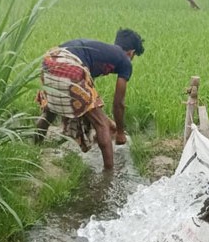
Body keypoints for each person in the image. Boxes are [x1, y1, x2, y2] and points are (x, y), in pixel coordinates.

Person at [34, 28, 145, 170]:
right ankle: (109, 174)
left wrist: (106, 120)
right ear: (131, 52)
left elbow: (88, 100)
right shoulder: (125, 60)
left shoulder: (100, 51)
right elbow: (118, 104)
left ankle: (35, 150)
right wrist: (120, 133)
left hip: (50, 60)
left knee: (50, 111)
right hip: (70, 64)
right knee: (101, 125)